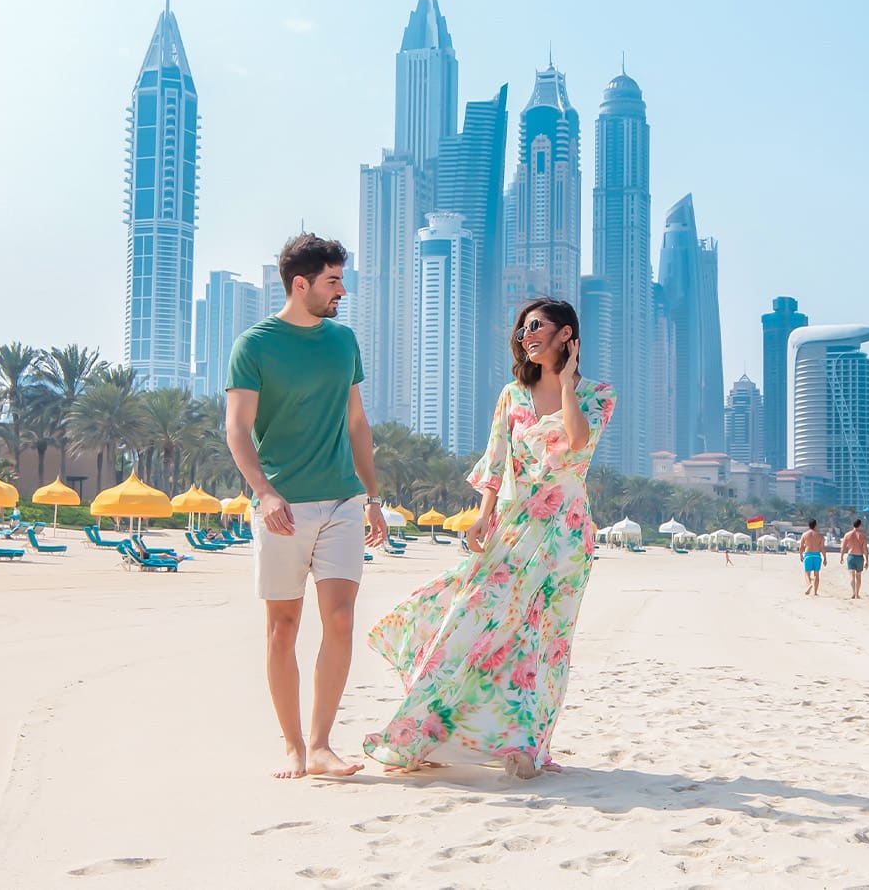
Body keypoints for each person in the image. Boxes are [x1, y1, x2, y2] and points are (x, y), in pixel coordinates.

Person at [363, 298, 616, 780]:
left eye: (537, 326)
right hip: (515, 526)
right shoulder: (511, 395)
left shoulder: (599, 393)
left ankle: (527, 746)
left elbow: (578, 442)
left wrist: (565, 385)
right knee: (469, 620)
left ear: (566, 334)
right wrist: (482, 516)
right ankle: (427, 730)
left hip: (566, 535)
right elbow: (496, 462)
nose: (526, 335)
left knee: (546, 642)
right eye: (522, 329)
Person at [225, 233, 388, 780]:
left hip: (343, 499)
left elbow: (358, 424)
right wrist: (266, 491)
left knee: (339, 621)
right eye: (333, 281)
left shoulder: (344, 342)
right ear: (302, 284)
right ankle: (292, 746)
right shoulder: (255, 345)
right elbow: (238, 429)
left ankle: (321, 745)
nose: (342, 290)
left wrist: (373, 498)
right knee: (283, 626)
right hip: (283, 507)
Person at [840, 517, 869, 599]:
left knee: (852, 576)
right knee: (858, 577)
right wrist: (867, 560)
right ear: (860, 526)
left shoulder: (847, 535)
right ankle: (857, 594)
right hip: (859, 557)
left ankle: (853, 592)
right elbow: (865, 549)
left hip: (851, 556)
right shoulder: (862, 536)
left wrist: (841, 557)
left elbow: (843, 547)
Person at [799, 519, 826, 596]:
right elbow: (822, 548)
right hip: (817, 555)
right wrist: (825, 558)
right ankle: (815, 592)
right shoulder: (820, 536)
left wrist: (801, 555)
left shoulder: (804, 535)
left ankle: (809, 585)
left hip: (808, 555)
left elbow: (801, 547)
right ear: (816, 525)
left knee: (807, 573)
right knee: (816, 574)